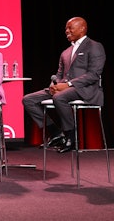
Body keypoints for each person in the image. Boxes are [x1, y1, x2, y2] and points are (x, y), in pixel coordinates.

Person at [22, 17, 106, 153]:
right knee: (28, 100)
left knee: (59, 97)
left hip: (85, 89)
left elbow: (93, 75)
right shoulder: (66, 52)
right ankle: (55, 132)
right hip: (64, 88)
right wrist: (53, 85)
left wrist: (68, 84)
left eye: (70, 28)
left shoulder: (95, 46)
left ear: (82, 28)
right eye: (66, 28)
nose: (67, 31)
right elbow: (59, 74)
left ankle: (71, 136)